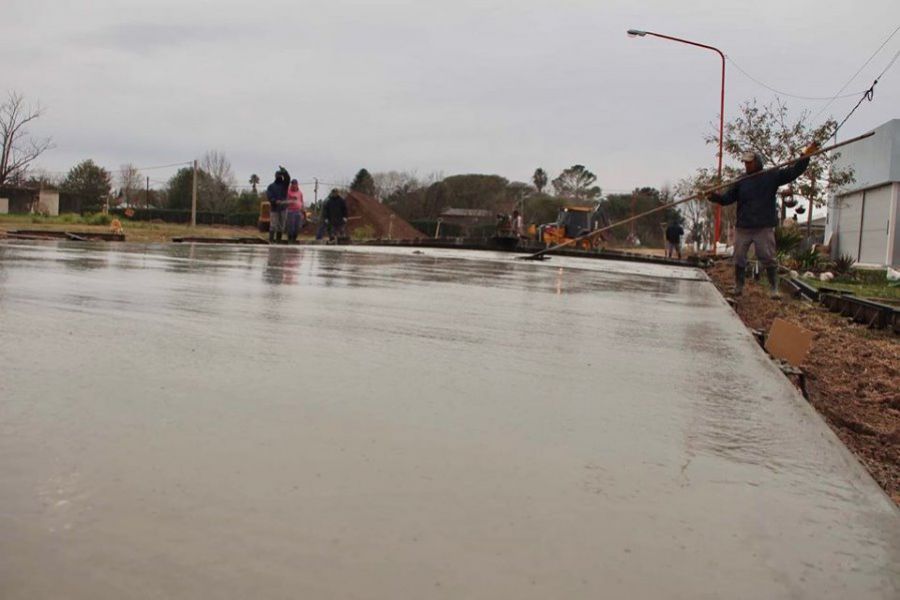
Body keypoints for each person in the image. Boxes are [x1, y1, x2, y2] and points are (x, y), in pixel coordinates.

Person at [707, 144, 816, 297]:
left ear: (757, 162)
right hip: (744, 226)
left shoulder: (771, 176)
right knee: (738, 257)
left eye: (750, 162)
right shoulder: (741, 181)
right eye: (745, 162)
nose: (747, 165)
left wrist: (805, 157)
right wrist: (713, 196)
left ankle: (773, 288)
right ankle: (738, 286)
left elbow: (793, 172)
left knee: (767, 257)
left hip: (763, 226)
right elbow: (727, 199)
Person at [266, 167, 290, 243]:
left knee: (281, 226)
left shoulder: (284, 185)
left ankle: (278, 241)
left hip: (283, 208)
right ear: (275, 176)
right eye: (278, 175)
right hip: (274, 208)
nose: (279, 176)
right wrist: (274, 201)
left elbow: (288, 179)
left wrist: (285, 172)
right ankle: (271, 240)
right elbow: (269, 196)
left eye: (280, 175)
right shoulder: (271, 186)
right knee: (273, 225)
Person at [285, 179, 305, 243]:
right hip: (290, 211)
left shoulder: (300, 193)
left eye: (295, 184)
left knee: (297, 227)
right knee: (291, 227)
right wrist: (291, 199)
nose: (294, 185)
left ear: (297, 185)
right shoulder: (288, 192)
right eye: (292, 184)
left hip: (298, 211)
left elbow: (301, 202)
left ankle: (294, 239)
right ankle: (290, 239)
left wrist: (302, 211)